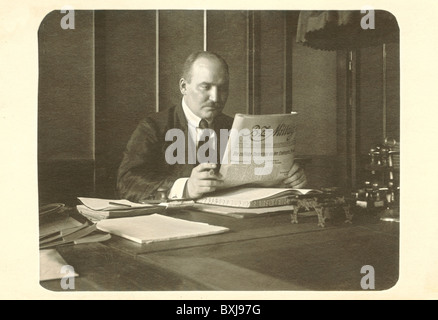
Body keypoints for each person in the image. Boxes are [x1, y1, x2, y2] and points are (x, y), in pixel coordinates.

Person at [117, 51, 306, 202]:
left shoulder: (235, 127)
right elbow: (126, 182)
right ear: (184, 86)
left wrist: (286, 179)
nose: (216, 98)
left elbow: (256, 178)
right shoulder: (154, 127)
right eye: (205, 87)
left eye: (222, 88)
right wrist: (186, 188)